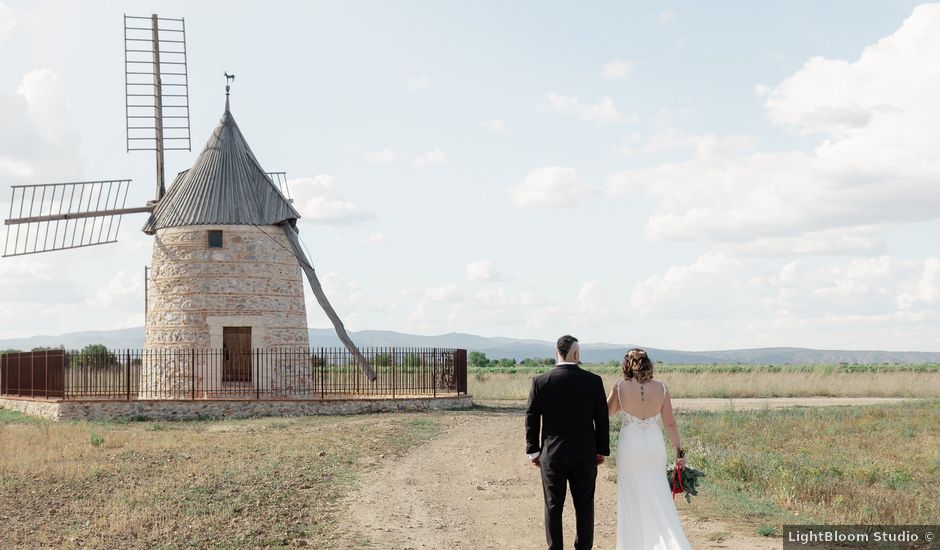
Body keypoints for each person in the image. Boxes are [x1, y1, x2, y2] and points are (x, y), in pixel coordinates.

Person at [526, 335, 610, 550]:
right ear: (576, 354)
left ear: (557, 353)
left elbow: (532, 416)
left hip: (552, 453)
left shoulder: (541, 381)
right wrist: (602, 450)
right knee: (584, 505)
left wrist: (533, 451)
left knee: (553, 505)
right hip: (585, 453)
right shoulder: (593, 381)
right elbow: (601, 418)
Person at [608, 348, 692, 550]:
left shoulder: (620, 387)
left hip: (630, 447)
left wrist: (621, 403)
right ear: (647, 363)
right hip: (654, 446)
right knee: (658, 491)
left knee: (631, 495)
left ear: (627, 365)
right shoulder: (661, 388)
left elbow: (607, 413)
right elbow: (670, 423)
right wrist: (679, 451)